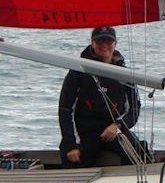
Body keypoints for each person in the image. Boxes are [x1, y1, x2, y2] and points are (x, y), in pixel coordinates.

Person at [58, 26, 144, 167]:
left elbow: (134, 109)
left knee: (140, 154)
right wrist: (70, 144)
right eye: (99, 41)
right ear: (92, 43)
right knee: (73, 159)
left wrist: (117, 126)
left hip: (113, 130)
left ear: (115, 44)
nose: (104, 45)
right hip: (85, 132)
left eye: (108, 41)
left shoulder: (124, 74)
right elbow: (65, 109)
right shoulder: (77, 72)